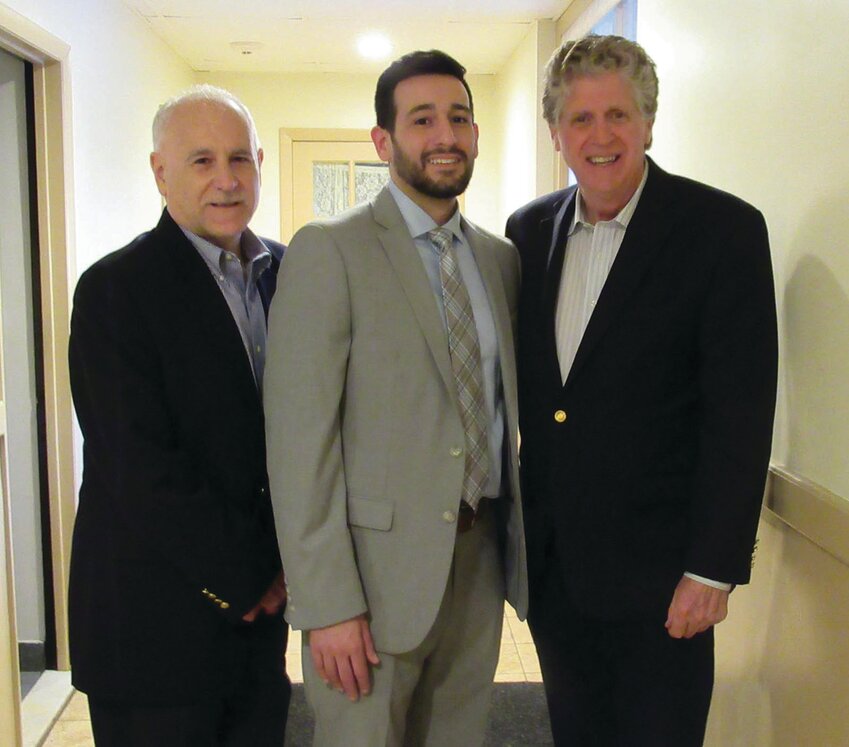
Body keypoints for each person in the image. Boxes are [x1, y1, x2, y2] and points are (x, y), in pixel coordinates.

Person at [505, 35, 778, 746]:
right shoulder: (527, 233)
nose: (600, 136)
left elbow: (740, 413)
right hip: (559, 574)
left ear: (648, 123)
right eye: (580, 118)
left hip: (665, 583)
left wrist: (710, 569)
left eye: (617, 115)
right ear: (556, 132)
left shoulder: (721, 231)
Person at [264, 50, 528, 746]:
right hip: (369, 582)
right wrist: (325, 604)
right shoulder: (330, 251)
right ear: (383, 141)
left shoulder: (498, 260)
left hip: (477, 565)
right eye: (421, 120)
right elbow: (300, 445)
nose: (445, 135)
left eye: (459, 117)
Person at [68, 85, 290, 746]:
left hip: (258, 630)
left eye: (240, 159)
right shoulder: (116, 289)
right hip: (152, 629)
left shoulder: (288, 272)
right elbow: (138, 466)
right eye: (200, 161)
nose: (225, 180)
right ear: (160, 172)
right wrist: (254, 574)